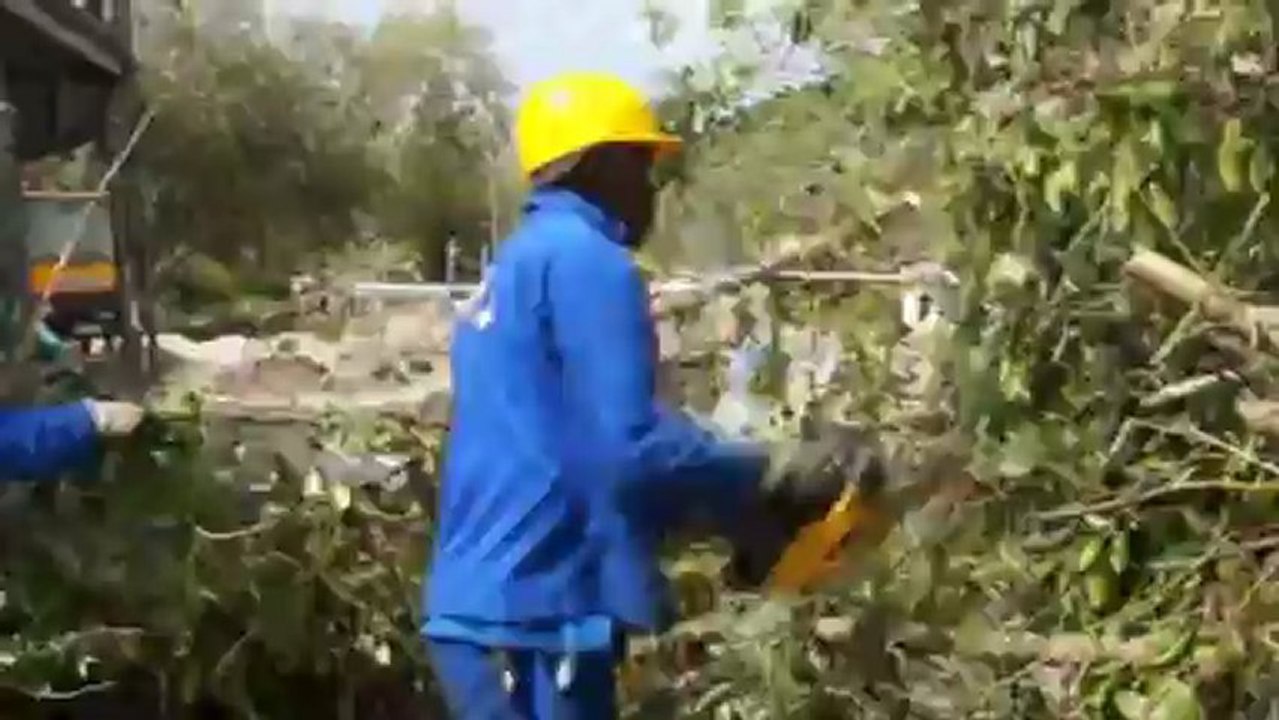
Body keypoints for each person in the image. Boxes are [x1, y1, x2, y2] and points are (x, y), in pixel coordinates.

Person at [422, 72, 874, 719]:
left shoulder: (516, 266)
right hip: (539, 606)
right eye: (641, 165)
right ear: (600, 166)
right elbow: (630, 446)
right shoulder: (590, 263)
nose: (650, 189)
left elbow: (572, 447)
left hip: (483, 603)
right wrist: (771, 472)